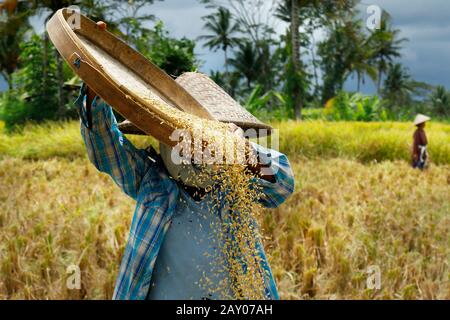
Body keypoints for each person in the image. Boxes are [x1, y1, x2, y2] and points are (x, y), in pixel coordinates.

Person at [74, 21, 294, 300]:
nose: (194, 150)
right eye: (182, 138)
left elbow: (283, 183)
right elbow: (105, 147)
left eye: (204, 140)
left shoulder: (235, 187)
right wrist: (97, 83)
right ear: (161, 138)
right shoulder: (151, 181)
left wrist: (242, 152)